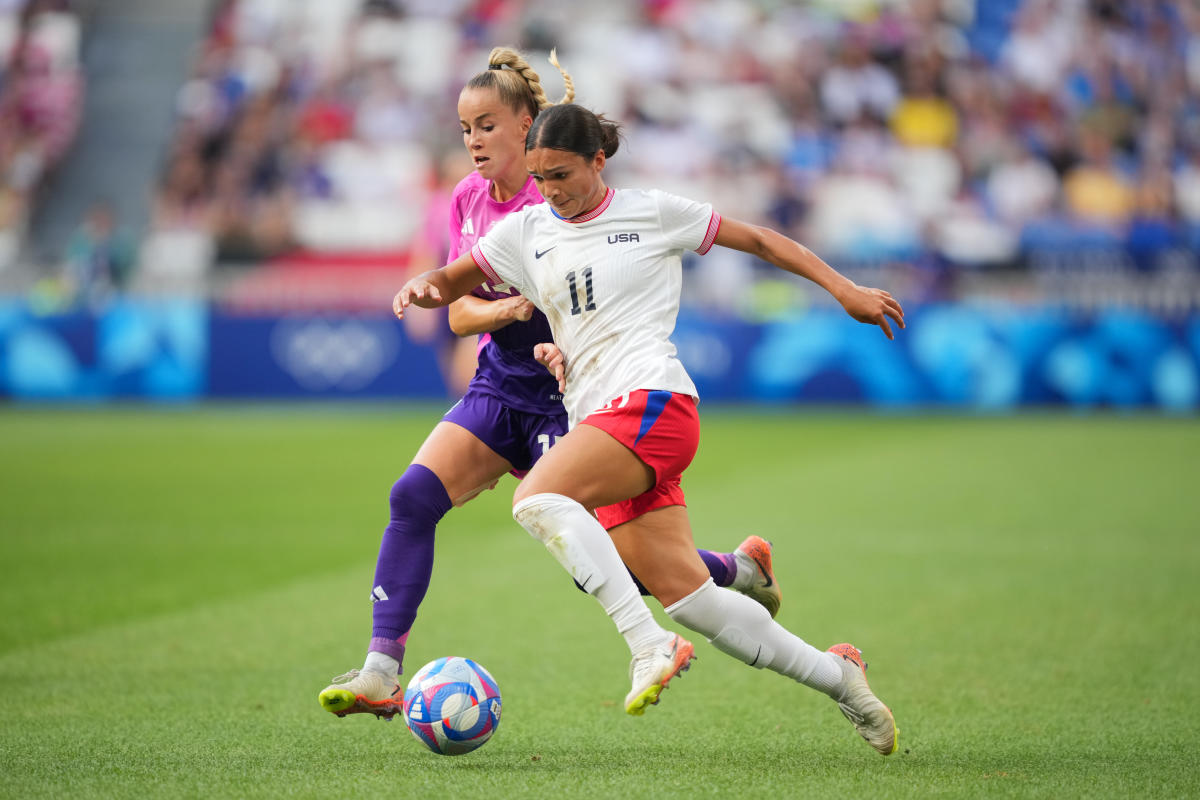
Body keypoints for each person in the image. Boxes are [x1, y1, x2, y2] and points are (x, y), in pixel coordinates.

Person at [393, 103, 905, 754]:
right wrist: (425, 286)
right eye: (542, 177)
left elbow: (763, 241)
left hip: (654, 403)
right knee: (691, 599)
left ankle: (647, 644)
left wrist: (844, 289)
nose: (551, 190)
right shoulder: (526, 231)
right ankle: (842, 679)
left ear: (598, 162)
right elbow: (455, 281)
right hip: (600, 417)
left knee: (538, 499)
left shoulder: (652, 212)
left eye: (563, 175)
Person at [319, 50, 781, 721]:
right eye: (465, 129)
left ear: (526, 126)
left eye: (486, 126)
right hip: (501, 386)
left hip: (572, 400)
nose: (474, 141)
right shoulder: (468, 200)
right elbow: (457, 310)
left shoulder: (561, 197)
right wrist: (500, 309)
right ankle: (381, 671)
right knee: (412, 495)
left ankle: (738, 571)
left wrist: (539, 325)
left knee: (621, 566)